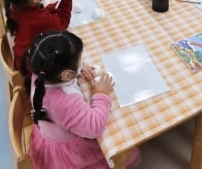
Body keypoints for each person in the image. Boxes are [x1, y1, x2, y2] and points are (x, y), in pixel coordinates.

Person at [21, 31, 140, 169]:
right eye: (79, 60)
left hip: (50, 132)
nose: (81, 61)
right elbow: (94, 126)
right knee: (130, 154)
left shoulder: (42, 71)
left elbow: (60, 72)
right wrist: (101, 93)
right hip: (69, 152)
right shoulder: (63, 102)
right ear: (66, 74)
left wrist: (79, 68)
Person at [4, 0, 73, 69]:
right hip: (32, 68)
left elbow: (39, 13)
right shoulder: (41, 21)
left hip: (22, 59)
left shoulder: (16, 6)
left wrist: (60, 2)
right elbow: (62, 23)